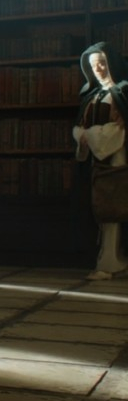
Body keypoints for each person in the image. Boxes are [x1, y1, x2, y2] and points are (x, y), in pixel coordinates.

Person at [73, 42, 128, 280]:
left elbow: (121, 127)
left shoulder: (122, 92)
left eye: (103, 63)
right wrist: (82, 135)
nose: (99, 69)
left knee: (113, 207)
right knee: (100, 208)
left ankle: (111, 263)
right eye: (94, 65)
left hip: (117, 157)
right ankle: (107, 260)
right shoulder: (91, 95)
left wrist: (92, 135)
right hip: (96, 160)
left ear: (111, 63)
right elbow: (80, 126)